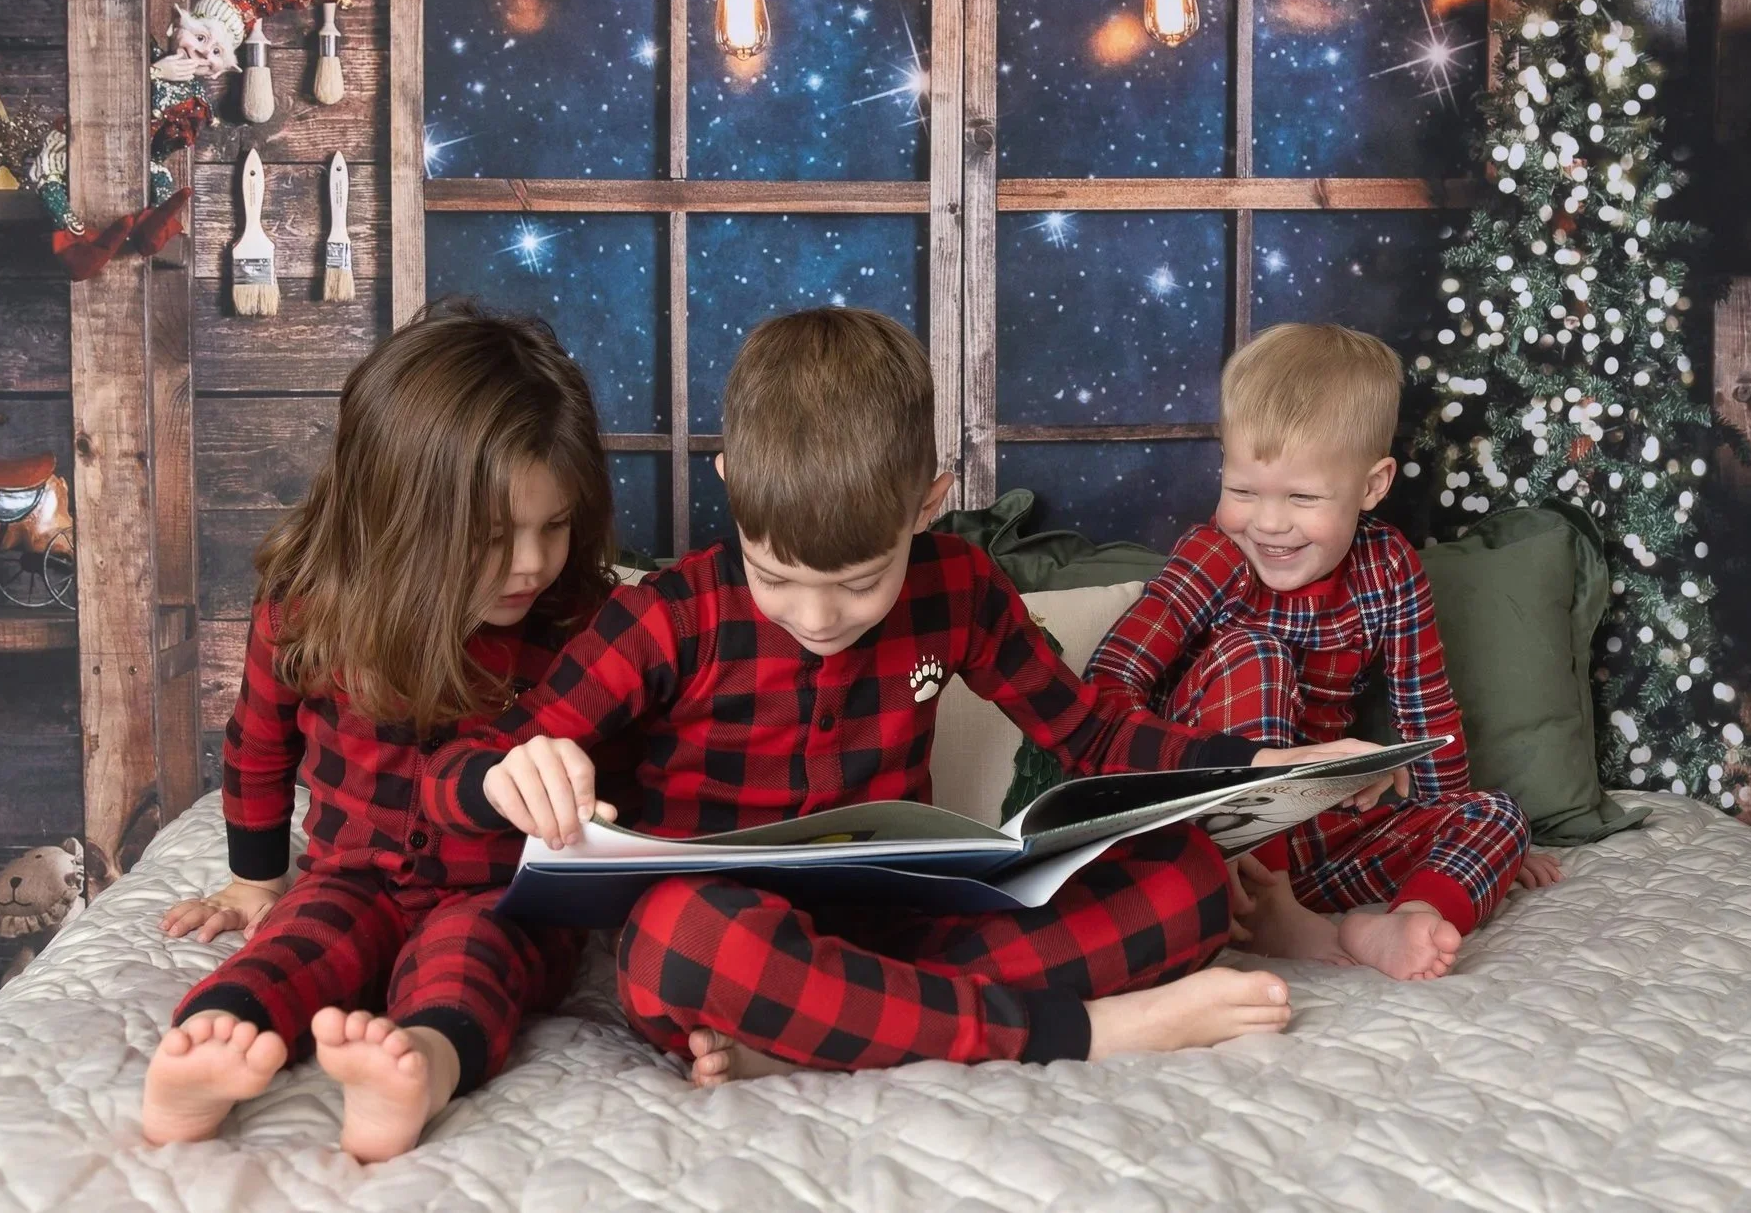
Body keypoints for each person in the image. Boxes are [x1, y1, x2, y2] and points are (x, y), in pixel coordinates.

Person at [420, 307, 1385, 1087]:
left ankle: (826, 1033)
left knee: (1187, 881)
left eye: (859, 580)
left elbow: (1091, 732)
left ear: (926, 503)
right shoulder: (669, 614)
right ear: (733, 485)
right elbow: (455, 774)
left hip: (906, 925)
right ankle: (1081, 1031)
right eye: (778, 575)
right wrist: (512, 773)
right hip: (735, 930)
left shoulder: (958, 585)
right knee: (677, 946)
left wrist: (1264, 766)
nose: (818, 615)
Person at [140, 303, 614, 1158]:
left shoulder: (581, 624)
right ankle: (209, 1043)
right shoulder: (310, 608)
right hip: (349, 873)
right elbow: (258, 742)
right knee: (298, 940)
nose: (534, 563)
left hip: (502, 893)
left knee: (475, 959)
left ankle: (418, 1070)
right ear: (401, 519)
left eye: (556, 525)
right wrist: (253, 879)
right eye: (496, 537)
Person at [1087, 322, 1555, 985]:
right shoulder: (1213, 557)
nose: (1268, 522)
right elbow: (1105, 684)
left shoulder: (1389, 566)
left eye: (1302, 498)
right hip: (1207, 834)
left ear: (1371, 485)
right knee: (1258, 653)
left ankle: (1405, 918)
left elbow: (1426, 715)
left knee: (1498, 813)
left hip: (1321, 830)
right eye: (1243, 490)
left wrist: (1457, 849)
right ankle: (1268, 903)